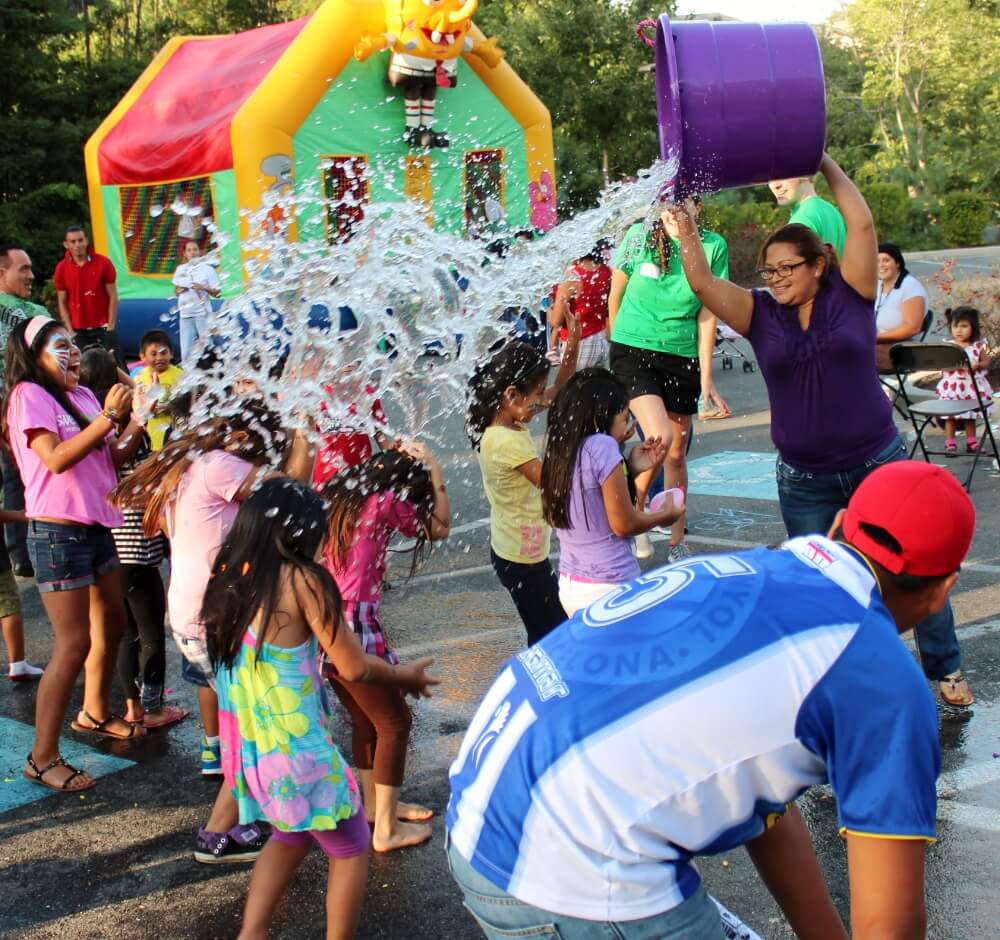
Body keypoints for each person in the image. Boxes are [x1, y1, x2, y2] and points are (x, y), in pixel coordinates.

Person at [447, 461, 975, 940]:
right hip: (566, 869)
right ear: (943, 590)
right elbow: (888, 925)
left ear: (838, 526)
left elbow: (766, 804)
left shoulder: (766, 571)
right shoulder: (882, 676)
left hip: (481, 807)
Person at [671, 151, 975, 708]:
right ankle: (842, 689)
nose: (777, 278)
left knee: (913, 564)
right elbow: (701, 281)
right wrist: (685, 226)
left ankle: (946, 667)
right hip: (804, 480)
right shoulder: (760, 313)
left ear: (818, 264)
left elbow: (861, 222)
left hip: (877, 465)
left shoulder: (852, 296)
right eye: (770, 269)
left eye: (789, 266)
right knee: (820, 589)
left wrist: (823, 160)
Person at [204, 479, 437, 940]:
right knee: (350, 847)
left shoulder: (231, 577)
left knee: (290, 836)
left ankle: (251, 934)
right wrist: (404, 676)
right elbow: (352, 665)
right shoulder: (305, 580)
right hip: (301, 755)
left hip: (255, 753)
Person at [112, 402, 315, 860]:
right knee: (253, 723)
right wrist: (305, 433)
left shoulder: (193, 463)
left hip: (196, 613)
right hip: (213, 619)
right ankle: (220, 832)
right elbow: (292, 491)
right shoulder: (218, 466)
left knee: (244, 718)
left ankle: (247, 815)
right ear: (239, 433)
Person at [3, 317, 147, 792]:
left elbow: (109, 459)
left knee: (115, 624)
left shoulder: (83, 396)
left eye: (72, 345)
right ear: (34, 354)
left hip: (97, 526)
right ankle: (41, 758)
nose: (71, 353)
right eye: (59, 345)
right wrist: (108, 418)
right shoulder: (29, 396)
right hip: (58, 533)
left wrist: (138, 419)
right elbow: (57, 458)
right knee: (73, 643)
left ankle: (94, 712)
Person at [320, 444, 450, 852]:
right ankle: (386, 833)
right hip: (354, 622)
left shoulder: (343, 496)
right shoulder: (384, 501)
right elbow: (440, 527)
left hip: (326, 617)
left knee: (366, 720)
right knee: (395, 723)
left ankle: (377, 807)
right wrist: (434, 465)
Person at [608, 196, 730, 562]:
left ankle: (677, 541)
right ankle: (632, 515)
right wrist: (617, 345)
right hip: (633, 349)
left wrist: (706, 378)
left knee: (676, 452)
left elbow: (708, 314)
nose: (673, 213)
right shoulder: (637, 236)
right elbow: (615, 296)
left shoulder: (713, 246)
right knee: (658, 438)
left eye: (682, 205)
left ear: (697, 206)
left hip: (681, 355)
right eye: (666, 205)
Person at [79, 347, 186, 730]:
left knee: (125, 633)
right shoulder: (128, 437)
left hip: (111, 548)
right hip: (137, 548)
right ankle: (153, 708)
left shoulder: (91, 428)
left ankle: (132, 708)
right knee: (152, 631)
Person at [466, 326, 579, 646]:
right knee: (550, 633)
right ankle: (547, 686)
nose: (542, 401)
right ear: (512, 395)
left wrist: (572, 345)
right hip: (521, 561)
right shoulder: (506, 442)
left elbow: (559, 389)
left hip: (517, 551)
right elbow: (551, 484)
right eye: (538, 393)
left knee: (546, 627)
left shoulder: (507, 420)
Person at [540, 369, 684, 616]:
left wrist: (630, 467)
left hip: (571, 584)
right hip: (610, 586)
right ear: (601, 419)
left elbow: (593, 502)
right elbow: (623, 524)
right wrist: (665, 516)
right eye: (625, 419)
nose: (628, 428)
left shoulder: (563, 445)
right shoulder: (603, 446)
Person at [0, 245, 49, 577]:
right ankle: (19, 553)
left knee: (49, 470)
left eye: (31, 268)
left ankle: (52, 539)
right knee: (12, 475)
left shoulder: (38, 310)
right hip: (5, 407)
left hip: (41, 406)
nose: (31, 275)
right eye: (24, 268)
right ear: (2, 272)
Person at [53, 225, 123, 366]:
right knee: (84, 372)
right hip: (78, 330)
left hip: (103, 327)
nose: (77, 245)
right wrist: (70, 331)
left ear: (86, 241)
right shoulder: (61, 268)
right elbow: (62, 302)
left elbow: (113, 295)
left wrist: (111, 326)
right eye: (73, 242)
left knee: (117, 366)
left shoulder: (103, 263)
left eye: (80, 240)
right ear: (66, 244)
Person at [936, 306, 994, 456]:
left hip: (971, 387)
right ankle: (950, 443)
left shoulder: (979, 346)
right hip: (952, 386)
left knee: (970, 416)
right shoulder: (948, 346)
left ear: (973, 327)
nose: (959, 330)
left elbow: (987, 362)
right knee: (950, 415)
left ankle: (971, 442)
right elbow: (941, 364)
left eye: (964, 326)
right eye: (955, 326)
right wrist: (952, 365)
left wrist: (978, 365)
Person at [547, 242, 612, 369]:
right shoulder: (605, 271)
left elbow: (556, 322)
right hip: (601, 340)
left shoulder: (572, 278)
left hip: (579, 345)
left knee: (576, 387)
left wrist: (549, 308)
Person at [874, 242, 929, 372]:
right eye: (877, 261)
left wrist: (877, 338)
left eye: (886, 260)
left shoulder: (910, 287)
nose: (881, 265)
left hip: (901, 350)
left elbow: (912, 328)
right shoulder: (877, 285)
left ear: (898, 263)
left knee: (850, 356)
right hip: (877, 345)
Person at [768, 175, 847, 257]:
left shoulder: (801, 219)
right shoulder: (831, 209)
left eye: (783, 174)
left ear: (805, 172)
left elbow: (800, 268)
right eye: (770, 178)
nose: (775, 185)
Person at [133, 329, 184, 451]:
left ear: (171, 353)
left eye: (163, 353)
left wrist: (172, 407)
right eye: (153, 353)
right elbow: (137, 406)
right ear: (143, 356)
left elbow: (188, 402)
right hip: (151, 434)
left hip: (175, 435)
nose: (159, 358)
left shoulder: (180, 375)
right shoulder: (140, 377)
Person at [172, 239, 220, 360]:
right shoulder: (180, 269)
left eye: (195, 249)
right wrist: (179, 290)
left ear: (200, 252)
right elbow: (176, 290)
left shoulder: (208, 269)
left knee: (207, 347)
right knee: (186, 351)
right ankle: (189, 375)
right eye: (189, 250)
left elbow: (217, 293)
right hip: (185, 315)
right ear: (185, 253)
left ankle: (211, 372)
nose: (192, 252)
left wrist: (203, 287)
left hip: (202, 314)